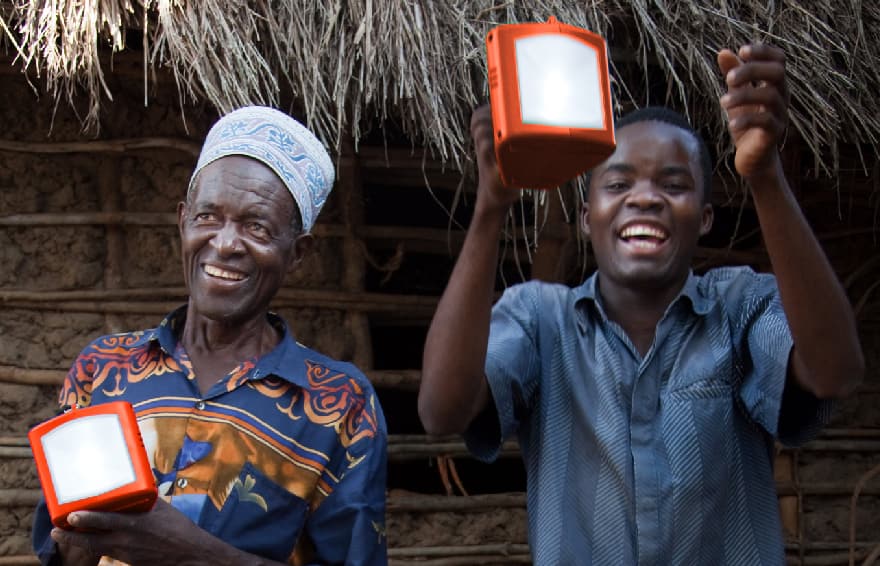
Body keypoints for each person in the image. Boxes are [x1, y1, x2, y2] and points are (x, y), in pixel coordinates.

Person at [418, 43, 864, 564]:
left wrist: (765, 176)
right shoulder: (540, 320)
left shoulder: (740, 307)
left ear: (703, 218)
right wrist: (490, 208)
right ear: (588, 217)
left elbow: (835, 373)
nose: (645, 197)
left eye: (674, 185)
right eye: (618, 183)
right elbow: (441, 410)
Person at [32, 106, 388, 566]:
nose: (224, 243)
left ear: (298, 253)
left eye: (256, 226)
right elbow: (59, 550)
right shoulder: (102, 369)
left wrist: (192, 554)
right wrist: (80, 534)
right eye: (207, 217)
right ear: (183, 222)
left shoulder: (340, 404)